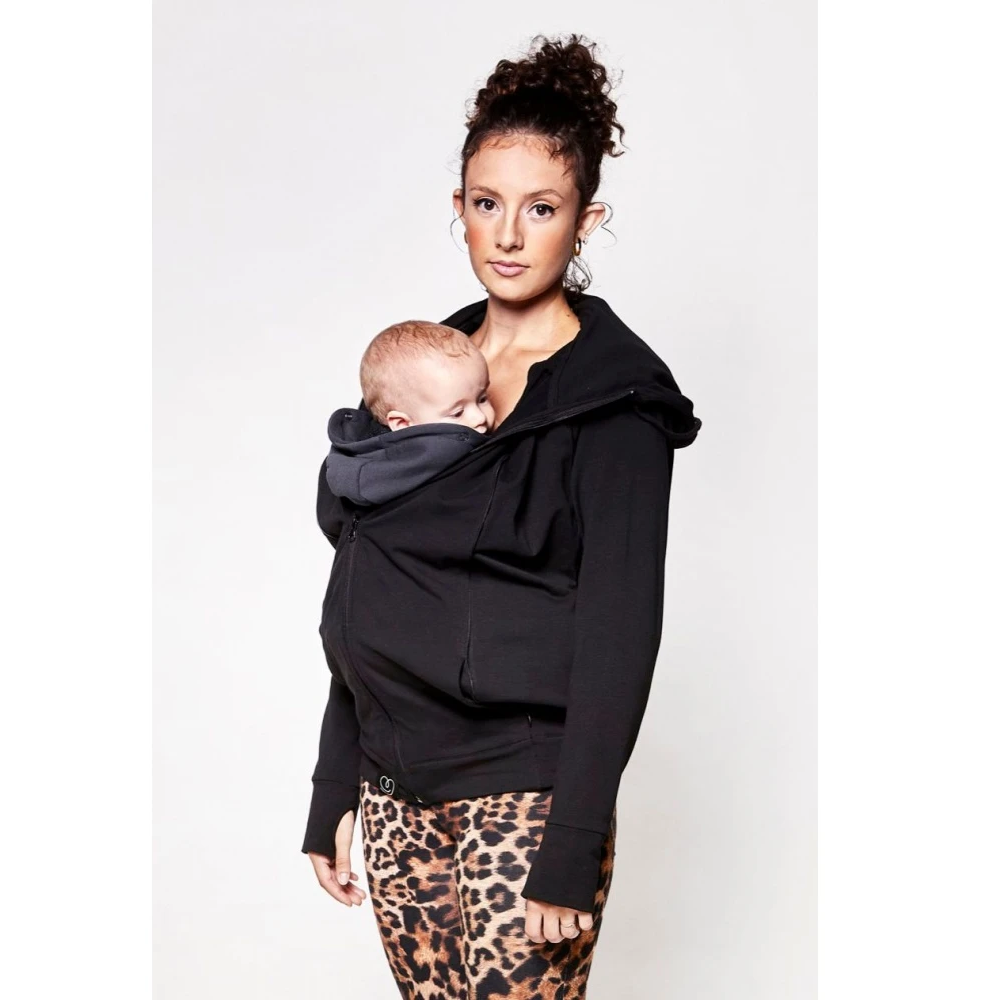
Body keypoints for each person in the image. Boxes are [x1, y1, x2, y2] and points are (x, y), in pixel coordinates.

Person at [302, 33, 702, 998]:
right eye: (488, 204)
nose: (511, 235)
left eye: (542, 208)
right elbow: (370, 590)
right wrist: (334, 785)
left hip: (527, 792)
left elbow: (620, 630)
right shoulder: (421, 374)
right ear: (460, 210)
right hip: (397, 791)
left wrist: (574, 838)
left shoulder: (616, 400)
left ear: (585, 221)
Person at [322, 319, 496, 507]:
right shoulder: (433, 458)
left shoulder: (354, 462)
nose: (480, 418)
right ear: (402, 424)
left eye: (482, 399)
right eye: (458, 412)